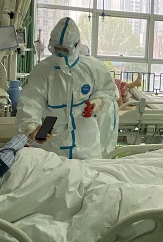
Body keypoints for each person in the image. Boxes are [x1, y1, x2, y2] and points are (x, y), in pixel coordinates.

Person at [18, 17, 117, 159]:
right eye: (56, 49)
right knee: (55, 171)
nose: (60, 54)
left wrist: (97, 103)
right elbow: (31, 100)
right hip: (54, 145)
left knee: (89, 173)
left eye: (64, 50)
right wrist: (31, 127)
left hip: (86, 145)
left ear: (76, 46)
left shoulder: (92, 67)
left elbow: (107, 90)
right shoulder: (43, 70)